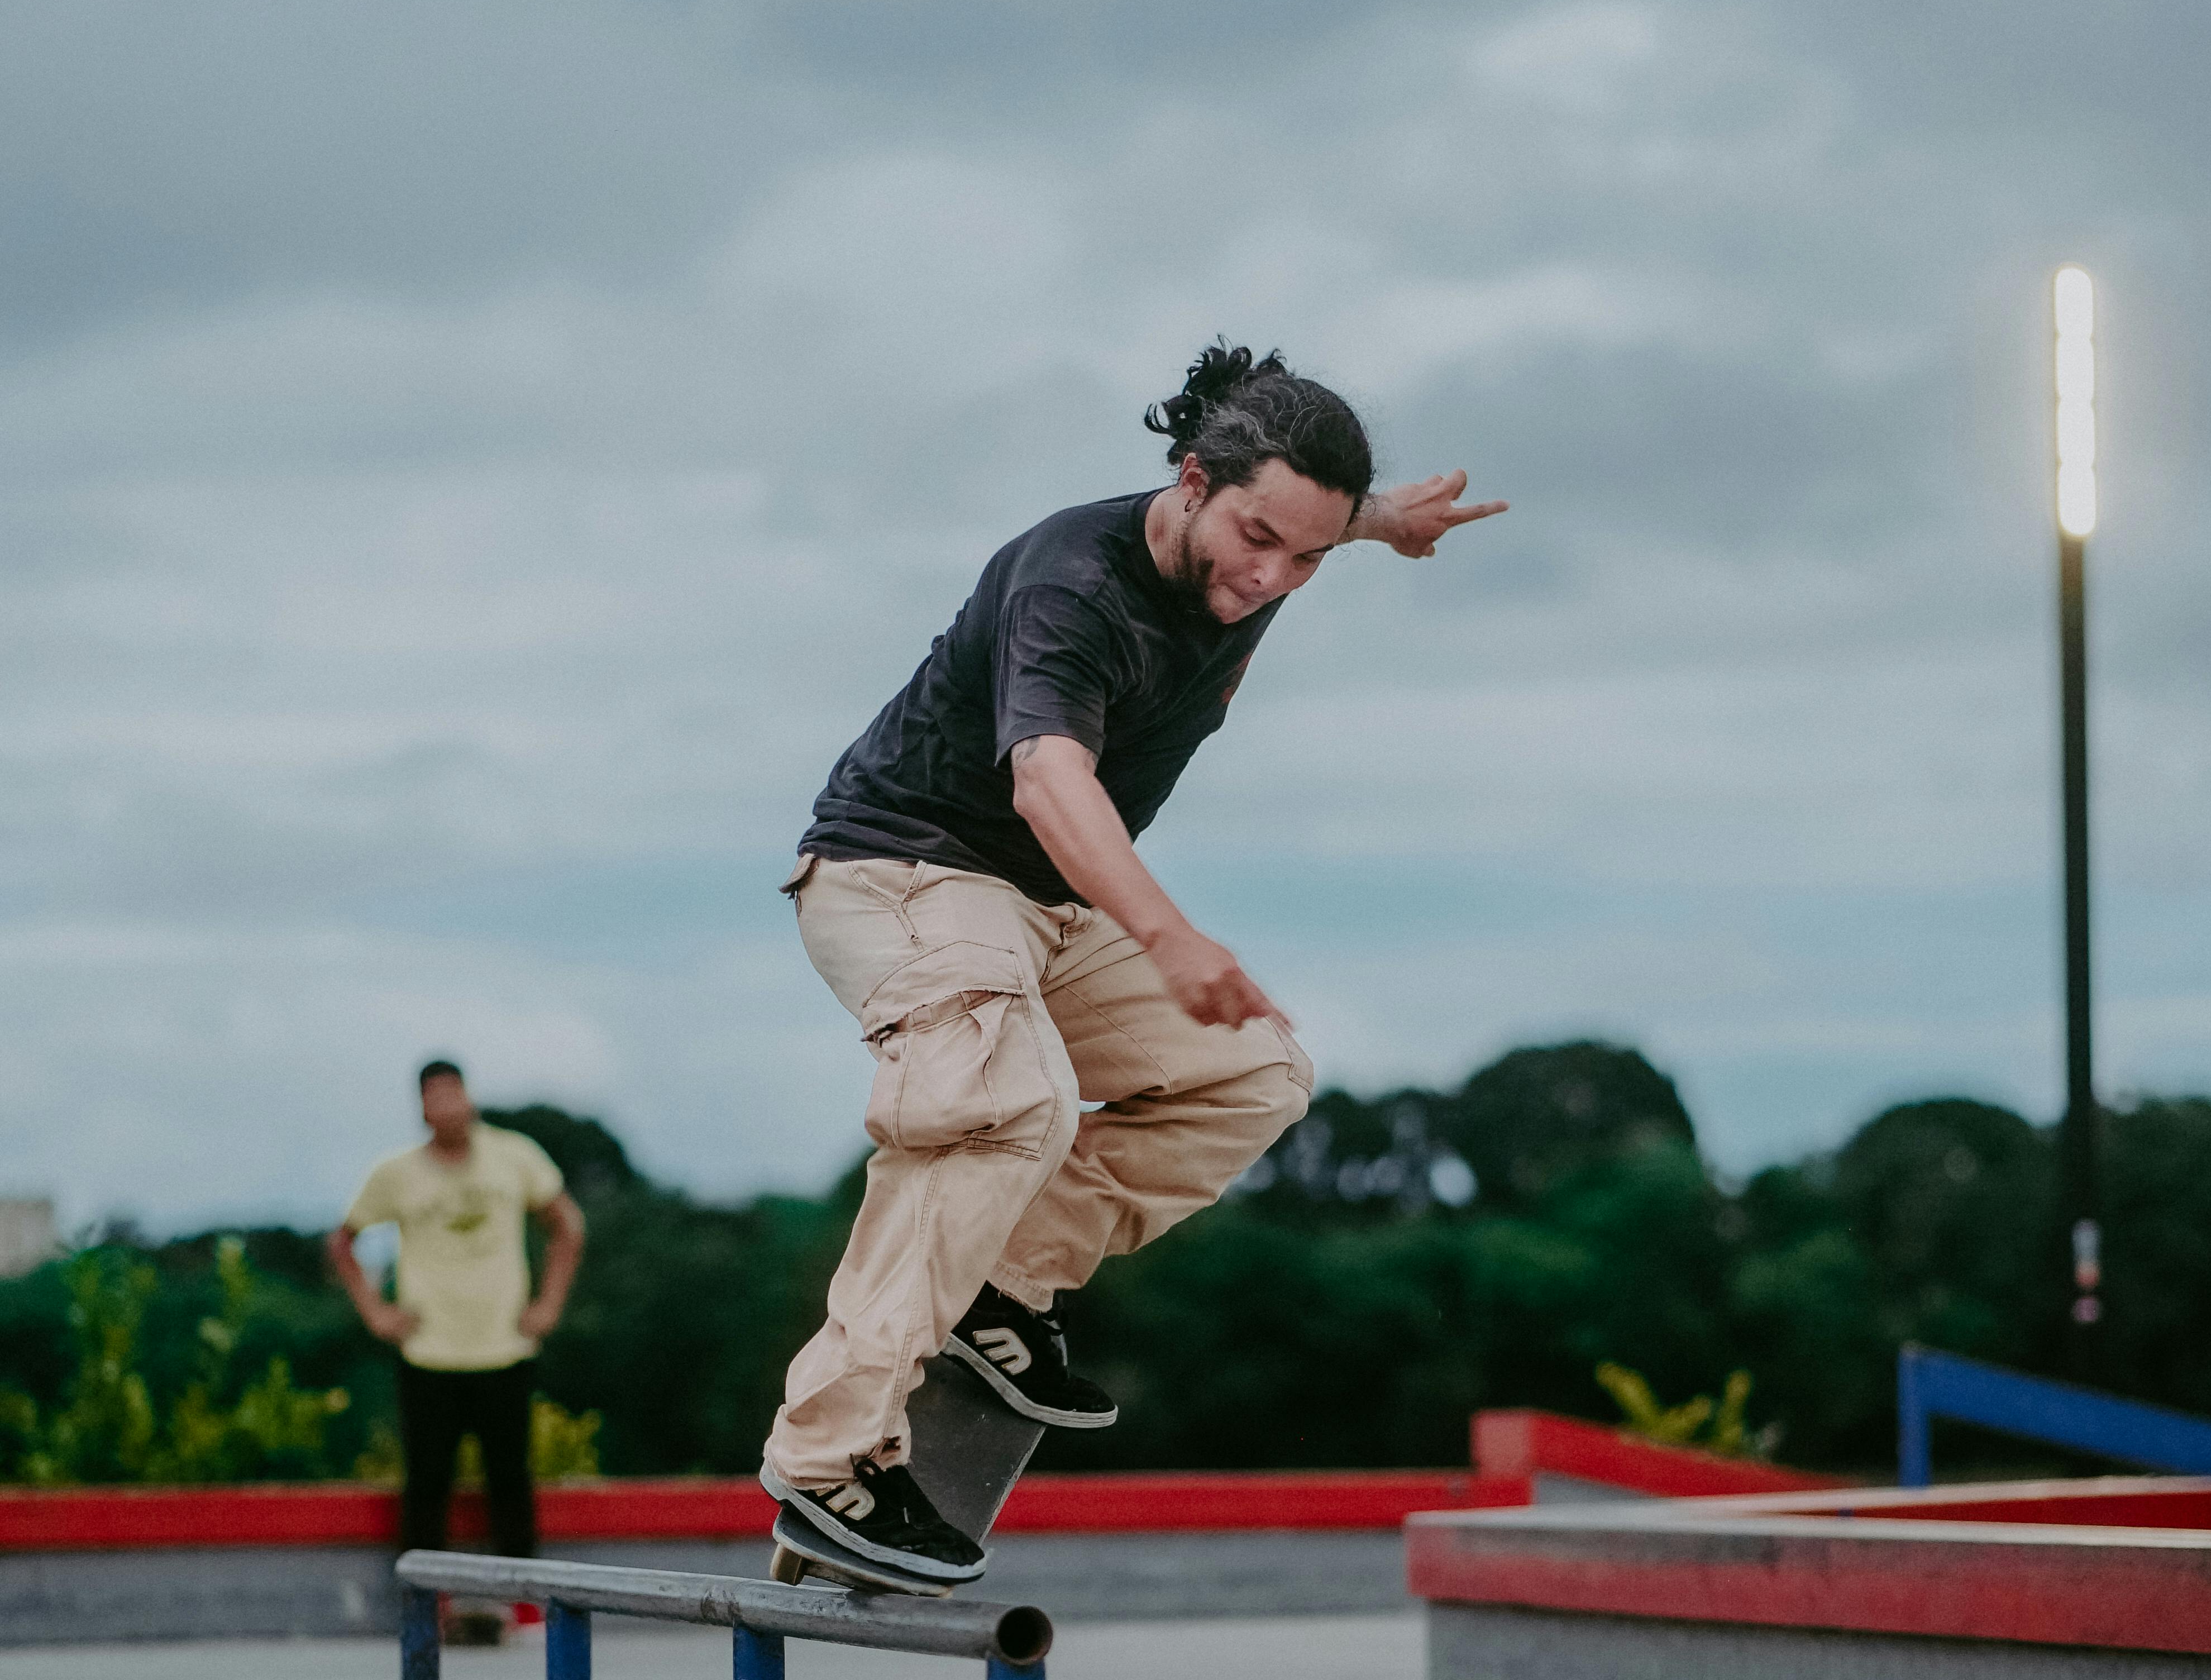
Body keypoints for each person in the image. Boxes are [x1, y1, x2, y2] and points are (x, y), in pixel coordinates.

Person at [762, 343, 1504, 1588]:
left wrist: (1382, 524)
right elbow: (1049, 776)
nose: (1266, 577)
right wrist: (1164, 934)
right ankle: (827, 1455)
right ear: (1189, 479)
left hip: (1043, 908)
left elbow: (1308, 509)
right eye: (1254, 539)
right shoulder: (1072, 585)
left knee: (1254, 1078)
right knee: (1007, 1105)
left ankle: (1002, 1287)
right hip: (902, 873)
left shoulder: (1274, 532)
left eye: (1306, 558)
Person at [328, 1062, 587, 1578]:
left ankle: (524, 1603)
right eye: (435, 1098)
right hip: (429, 1350)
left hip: (503, 1345)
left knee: (510, 1482)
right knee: (426, 1485)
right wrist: (377, 1313)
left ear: (470, 1098)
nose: (447, 1107)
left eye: (454, 1095)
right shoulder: (397, 1172)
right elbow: (342, 1241)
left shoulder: (514, 1157)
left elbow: (567, 1226)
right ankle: (425, 1607)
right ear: (422, 1109)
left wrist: (549, 1304)